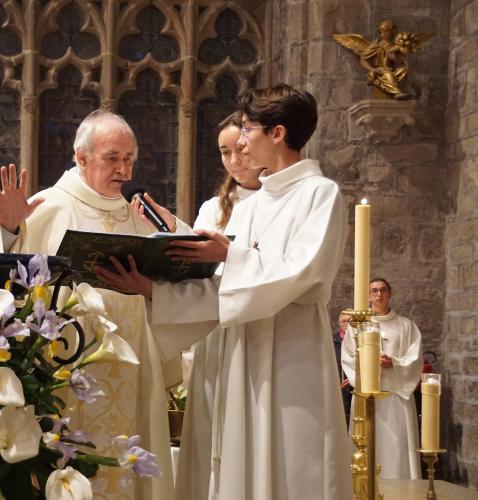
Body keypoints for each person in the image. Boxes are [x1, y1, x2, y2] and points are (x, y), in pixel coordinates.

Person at [98, 83, 352, 499]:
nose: (243, 141)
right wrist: (153, 290)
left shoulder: (320, 195)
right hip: (239, 358)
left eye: (249, 129)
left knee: (291, 464)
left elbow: (305, 275)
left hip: (291, 356)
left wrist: (230, 255)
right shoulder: (252, 206)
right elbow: (220, 290)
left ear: (278, 133)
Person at [0, 110, 179, 500]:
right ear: (81, 157)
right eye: (112, 158)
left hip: (133, 368)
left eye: (129, 159)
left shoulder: (138, 216)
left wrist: (170, 239)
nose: (124, 170)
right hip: (68, 373)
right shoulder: (49, 205)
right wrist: (8, 227)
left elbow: (177, 276)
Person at [128, 110, 262, 499]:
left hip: (259, 333)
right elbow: (198, 272)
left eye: (240, 150)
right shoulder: (212, 209)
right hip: (214, 334)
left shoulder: (278, 203)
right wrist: (173, 231)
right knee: (211, 436)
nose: (234, 161)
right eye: (224, 152)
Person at [341, 278, 423, 479]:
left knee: (397, 443)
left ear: (390, 294)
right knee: (367, 440)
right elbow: (348, 356)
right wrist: (369, 365)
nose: (379, 294)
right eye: (374, 291)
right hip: (367, 393)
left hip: (396, 393)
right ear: (368, 295)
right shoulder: (357, 326)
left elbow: (415, 359)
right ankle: (363, 486)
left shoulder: (406, 326)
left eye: (383, 290)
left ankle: (401, 485)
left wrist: (393, 363)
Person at [334, 311, 354, 420]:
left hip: (355, 385)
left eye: (350, 321)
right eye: (344, 321)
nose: (347, 324)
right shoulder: (333, 342)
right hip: (339, 386)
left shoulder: (360, 339)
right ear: (339, 323)